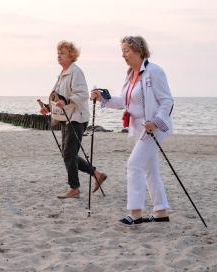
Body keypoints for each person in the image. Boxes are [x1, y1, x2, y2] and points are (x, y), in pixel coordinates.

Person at [91, 35, 174, 225]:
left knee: (133, 165)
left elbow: (167, 101)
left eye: (126, 51)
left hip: (154, 128)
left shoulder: (154, 71)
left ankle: (135, 213)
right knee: (150, 169)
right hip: (139, 129)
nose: (123, 55)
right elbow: (125, 102)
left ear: (139, 51)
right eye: (122, 52)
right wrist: (102, 99)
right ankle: (161, 212)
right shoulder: (130, 75)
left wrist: (156, 121)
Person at [39, 40, 107, 199]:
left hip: (77, 118)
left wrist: (68, 101)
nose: (59, 56)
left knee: (68, 154)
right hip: (66, 118)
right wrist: (48, 108)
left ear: (71, 55)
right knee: (68, 154)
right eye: (58, 53)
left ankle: (74, 189)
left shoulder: (76, 72)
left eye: (62, 53)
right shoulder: (62, 75)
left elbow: (83, 94)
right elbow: (57, 98)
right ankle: (97, 174)